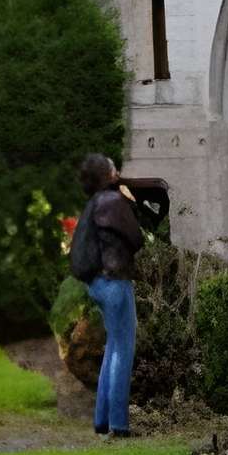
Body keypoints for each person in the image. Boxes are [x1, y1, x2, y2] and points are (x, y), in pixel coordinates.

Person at [73, 152, 145, 437]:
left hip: (98, 283)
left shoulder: (94, 203)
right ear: (107, 174)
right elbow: (136, 238)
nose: (116, 168)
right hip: (115, 281)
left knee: (113, 348)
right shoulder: (114, 201)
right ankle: (119, 424)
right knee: (123, 349)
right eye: (111, 166)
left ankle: (103, 421)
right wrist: (131, 201)